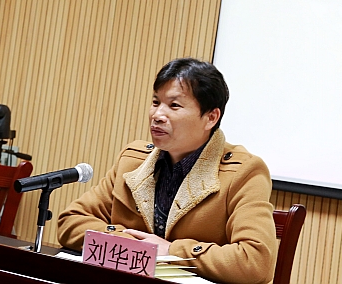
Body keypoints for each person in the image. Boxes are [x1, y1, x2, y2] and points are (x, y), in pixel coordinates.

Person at [57, 58, 277, 284]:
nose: (157, 115)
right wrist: (133, 245)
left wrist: (172, 251)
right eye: (155, 102)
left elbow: (256, 261)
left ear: (211, 118)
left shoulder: (244, 172)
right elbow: (70, 222)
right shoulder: (132, 160)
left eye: (174, 106)